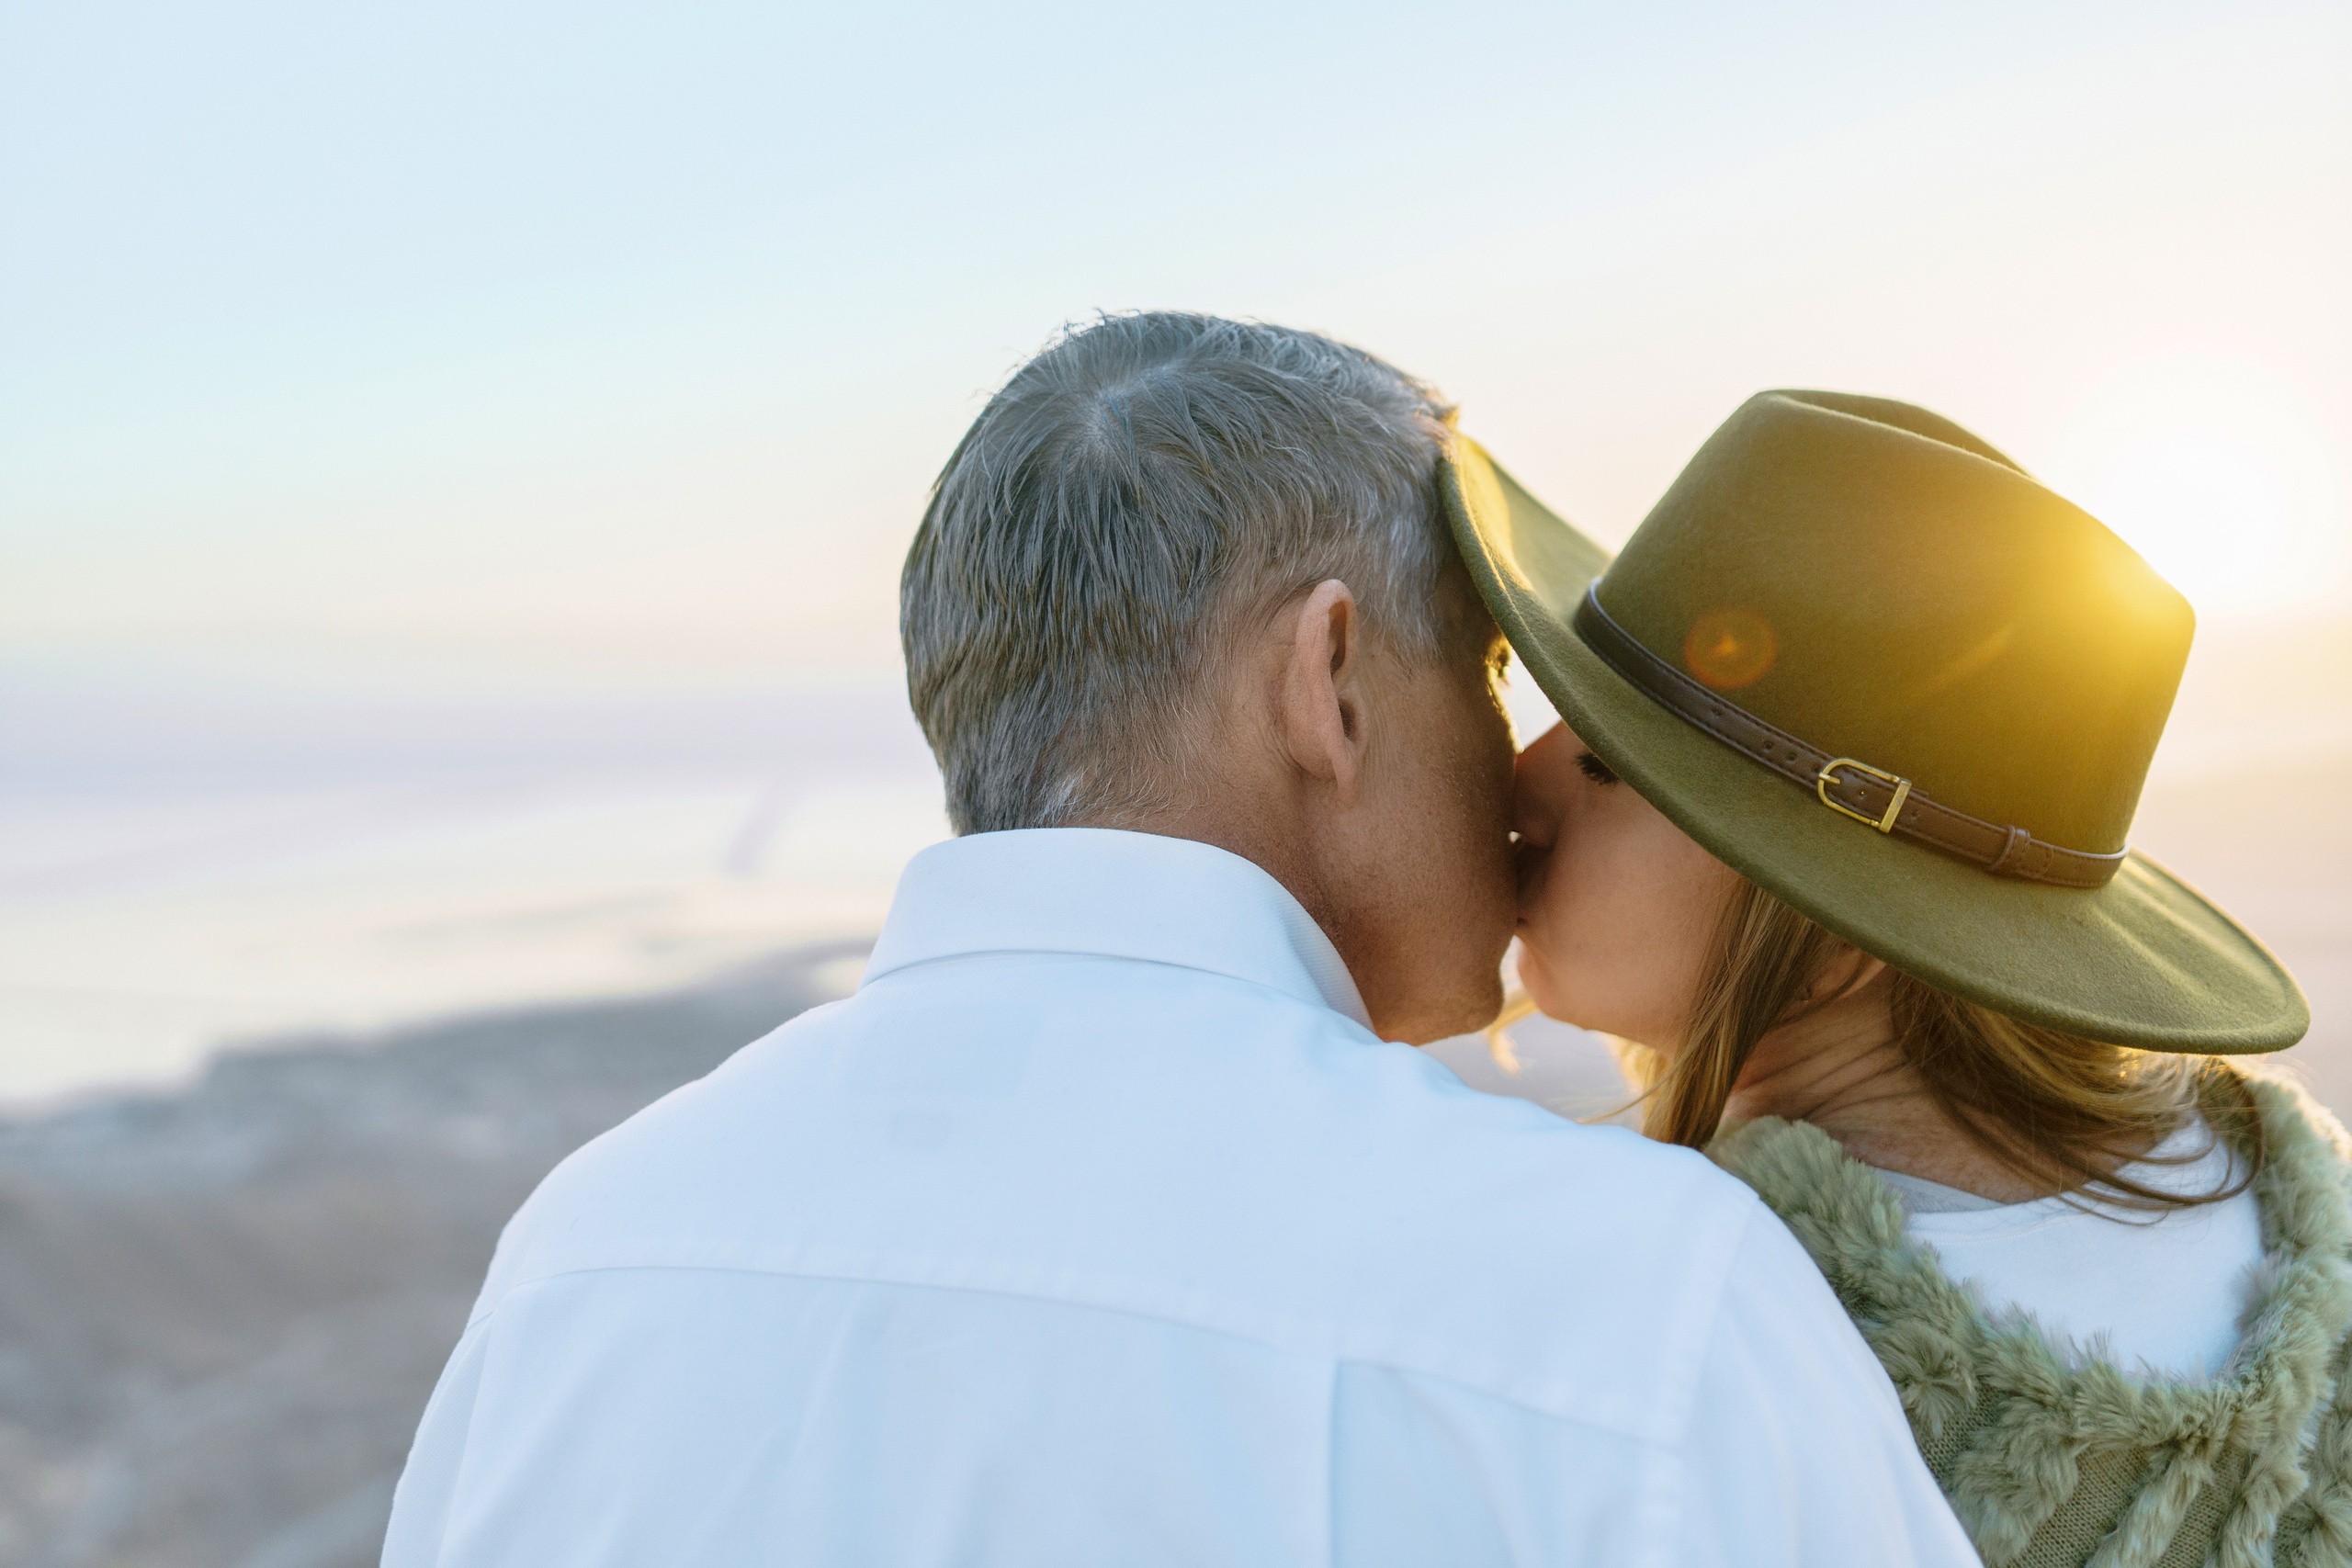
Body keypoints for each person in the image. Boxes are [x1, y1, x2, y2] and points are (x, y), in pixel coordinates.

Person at [381, 318, 1973, 1565]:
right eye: (1487, 673)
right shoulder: (1638, 1302)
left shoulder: (580, 1264)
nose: (1521, 768)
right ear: (1328, 680)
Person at [1448, 389, 2345, 1568]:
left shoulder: (1692, 1328)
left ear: (1840, 921)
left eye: (1612, 765)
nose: (1519, 779)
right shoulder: (2282, 1222)